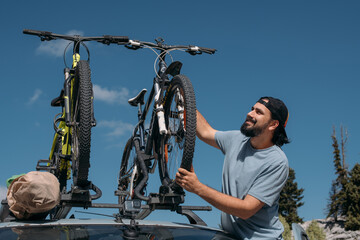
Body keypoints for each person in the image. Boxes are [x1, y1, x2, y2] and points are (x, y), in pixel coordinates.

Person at [175, 96, 290, 240]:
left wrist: (198, 188)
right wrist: (184, 99)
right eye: (252, 109)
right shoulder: (237, 139)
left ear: (273, 124)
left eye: (258, 112)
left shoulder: (276, 162)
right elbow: (205, 132)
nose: (250, 113)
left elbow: (246, 209)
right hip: (231, 236)